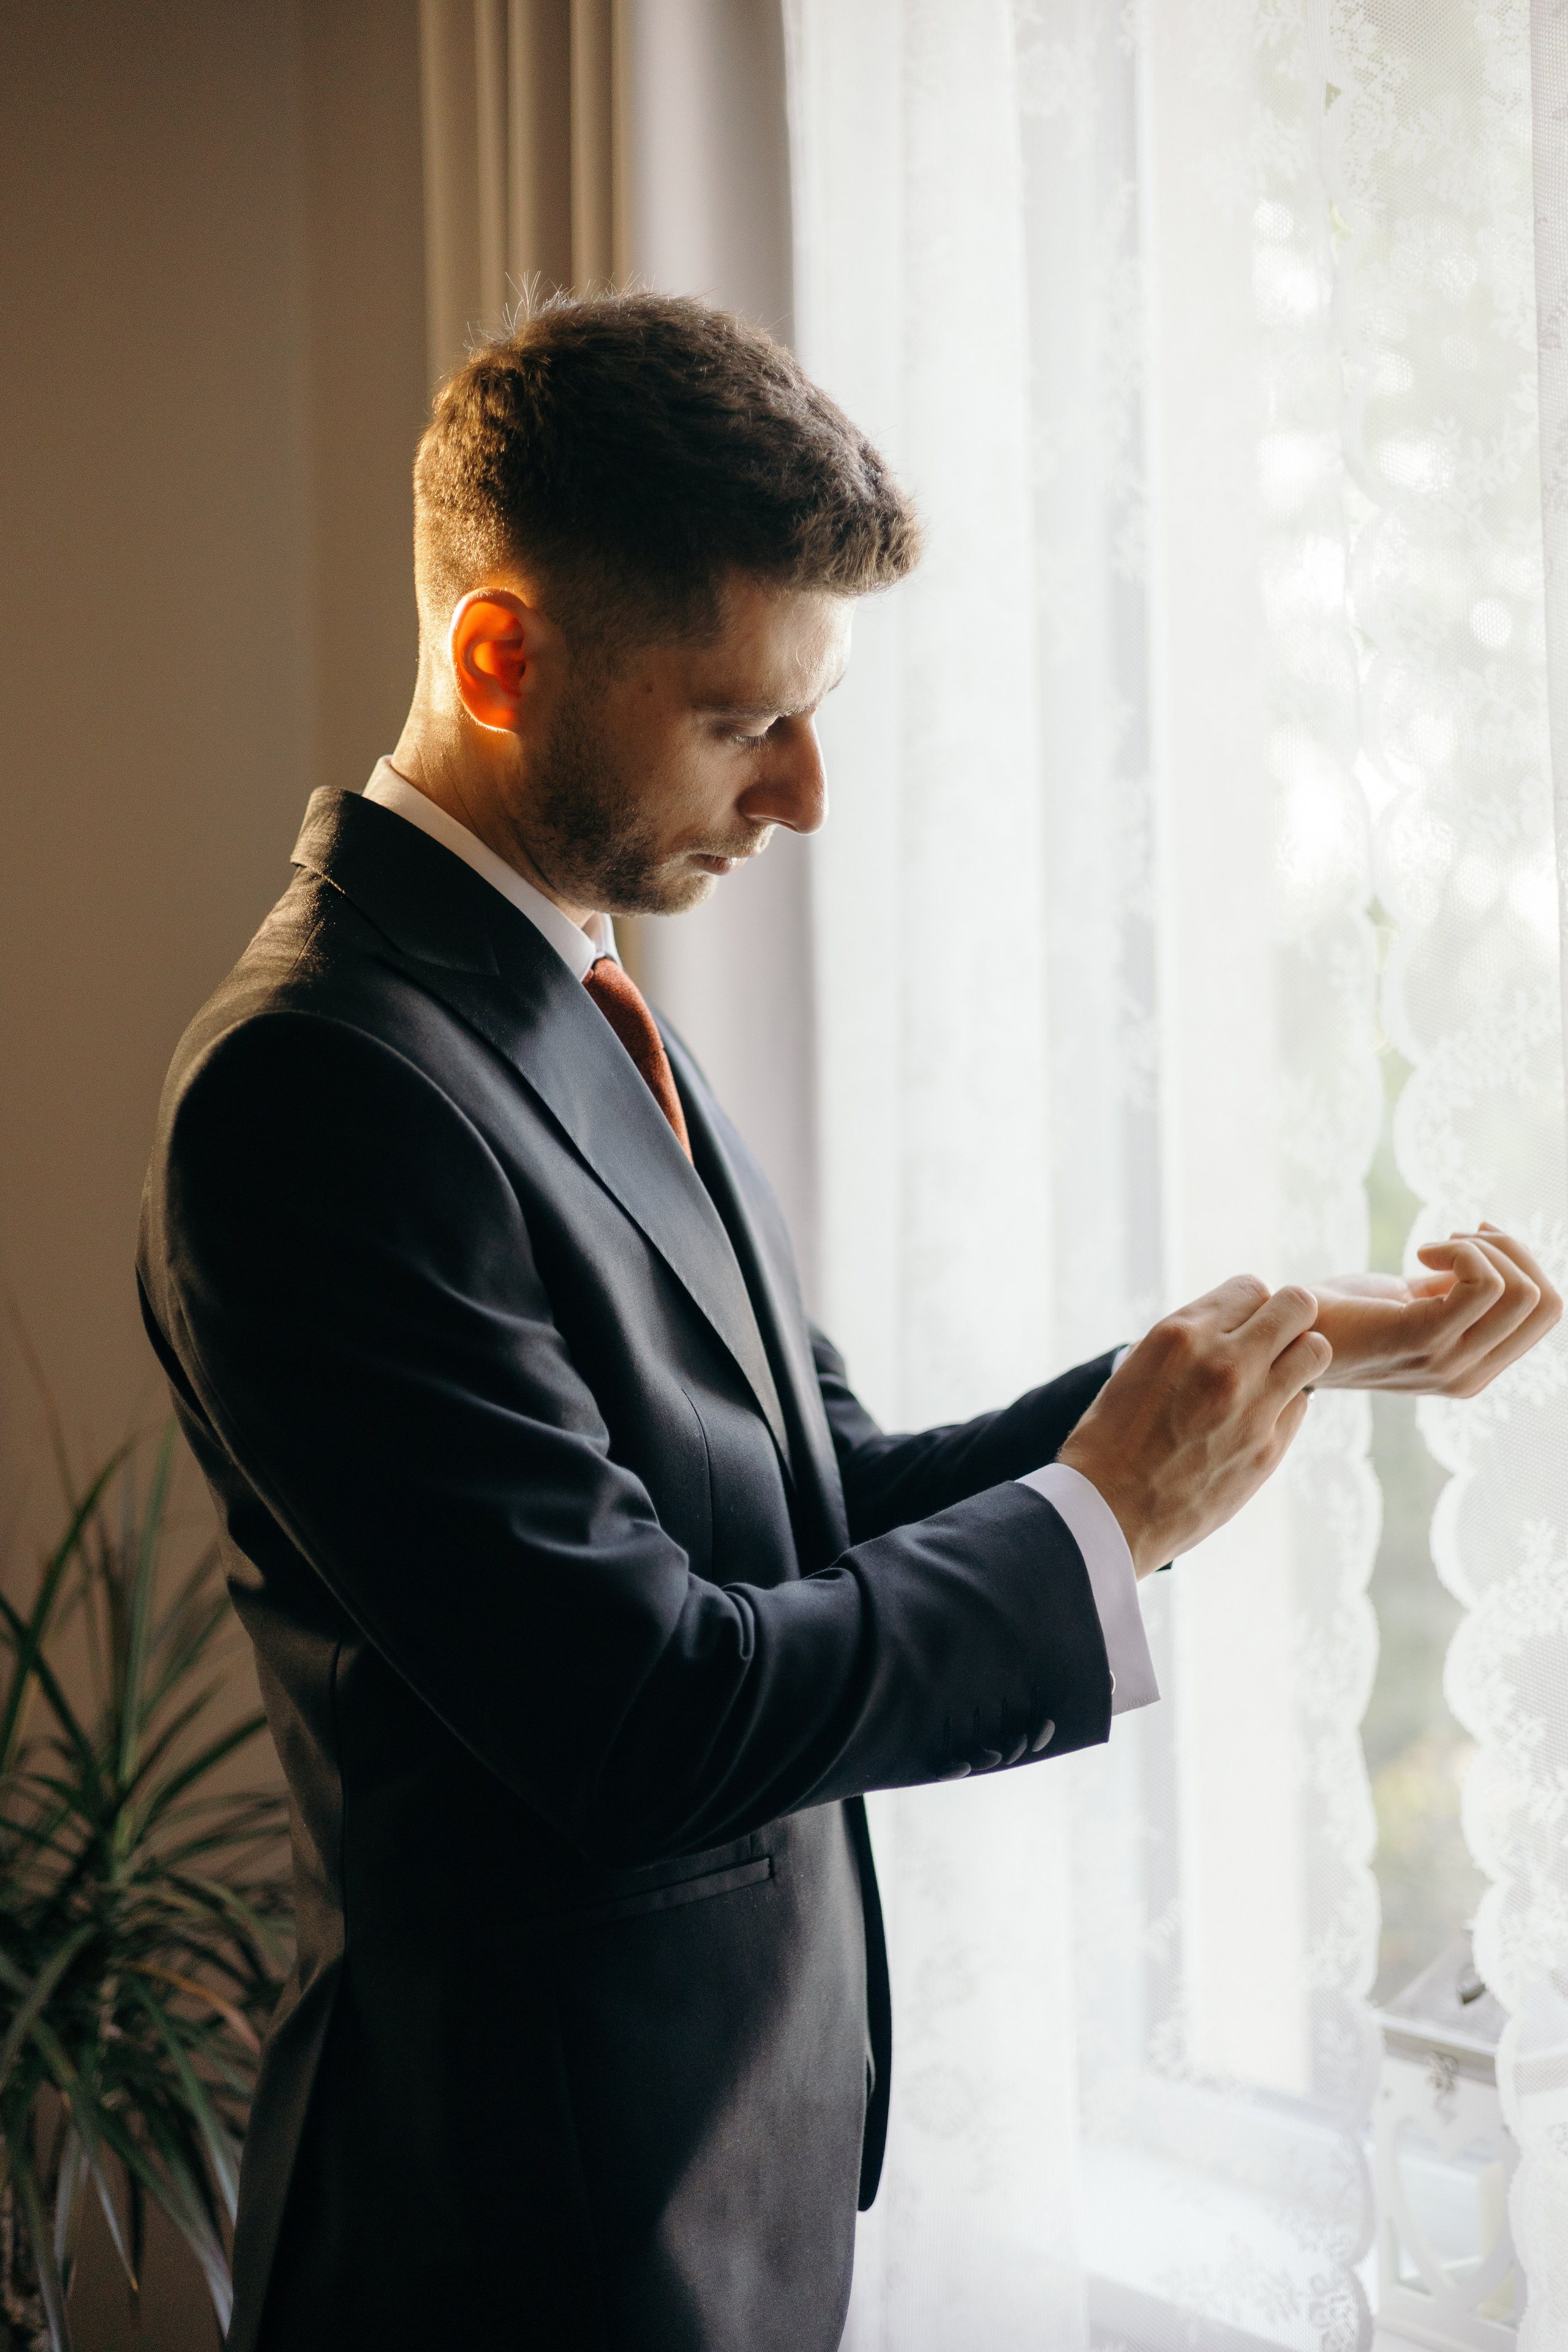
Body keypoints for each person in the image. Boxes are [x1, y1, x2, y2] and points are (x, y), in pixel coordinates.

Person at [137, 292, 1561, 2352]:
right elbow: (645, 1711)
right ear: (501, 656)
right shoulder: (320, 1090)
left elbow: (820, 1501)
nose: (805, 793)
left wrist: (1274, 1352)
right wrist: (1104, 1525)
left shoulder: (581, 990)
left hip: (714, 2197)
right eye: (742, 720)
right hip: (512, 2258)